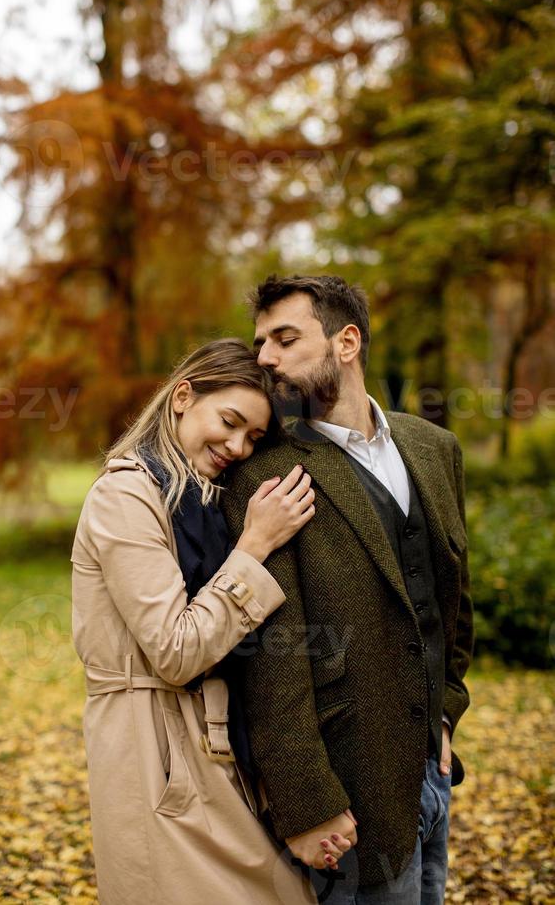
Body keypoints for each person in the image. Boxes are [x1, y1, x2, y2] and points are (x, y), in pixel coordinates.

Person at [221, 276, 474, 905]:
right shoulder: (264, 475)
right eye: (261, 343)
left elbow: (452, 603)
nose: (265, 360)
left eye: (285, 339)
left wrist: (446, 711)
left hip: (433, 773)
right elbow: (271, 662)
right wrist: (308, 804)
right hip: (347, 802)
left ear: (347, 341)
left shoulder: (435, 448)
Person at [70, 338, 334, 905]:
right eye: (230, 421)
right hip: (152, 751)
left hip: (213, 745)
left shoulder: (199, 500)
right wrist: (255, 545)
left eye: (254, 438)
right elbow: (176, 650)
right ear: (184, 396)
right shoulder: (126, 496)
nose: (238, 446)